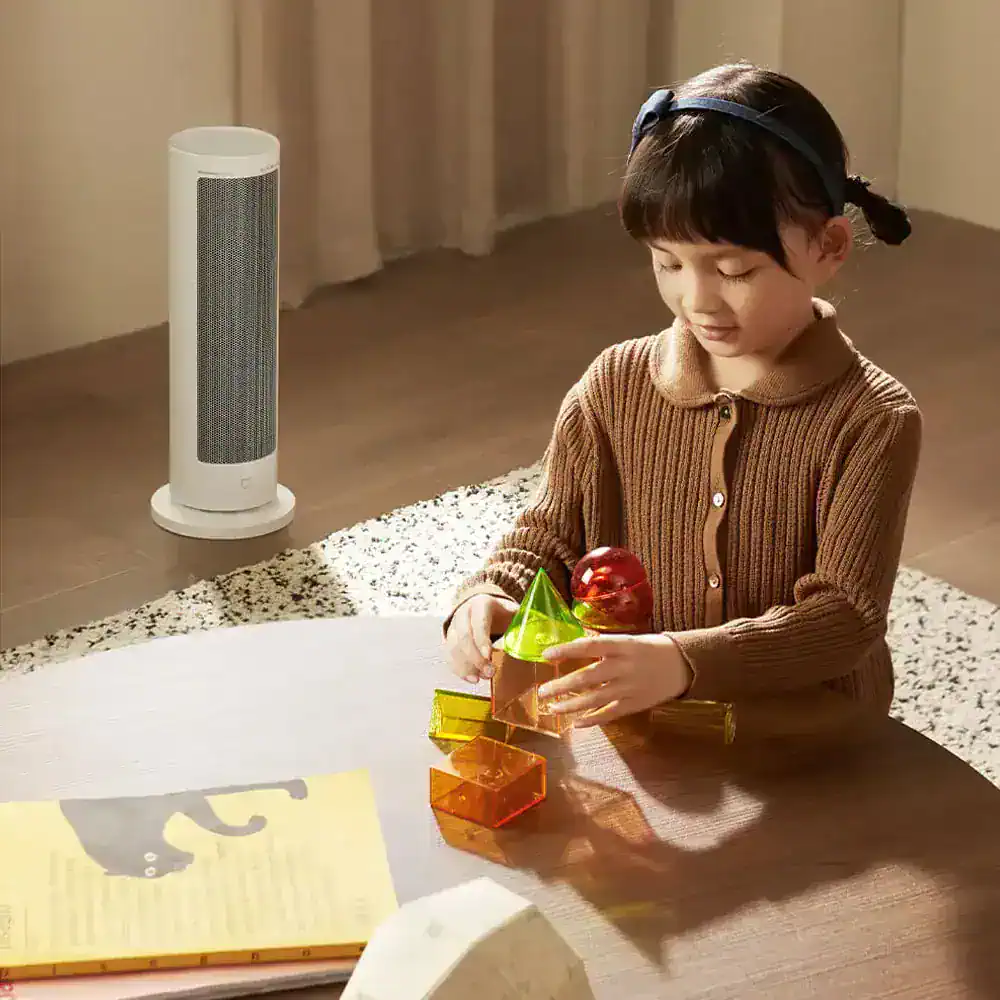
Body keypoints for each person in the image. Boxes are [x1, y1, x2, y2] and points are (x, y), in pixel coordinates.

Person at [442, 63, 922, 740]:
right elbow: (550, 534)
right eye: (668, 263)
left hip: (806, 736)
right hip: (643, 720)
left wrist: (683, 661)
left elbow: (844, 618)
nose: (696, 299)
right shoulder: (614, 384)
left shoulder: (873, 419)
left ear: (829, 245)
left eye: (733, 271)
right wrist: (494, 592)